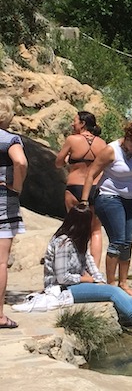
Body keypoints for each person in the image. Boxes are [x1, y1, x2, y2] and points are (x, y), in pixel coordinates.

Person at [43, 204, 132, 334]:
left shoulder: (79, 240)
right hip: (60, 290)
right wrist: (87, 279)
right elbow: (62, 278)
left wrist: (99, 280)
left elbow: (90, 265)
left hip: (75, 285)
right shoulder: (63, 244)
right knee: (113, 293)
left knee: (114, 289)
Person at [81, 122, 132, 297]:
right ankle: (111, 284)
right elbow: (91, 174)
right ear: (127, 139)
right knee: (117, 241)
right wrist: (84, 200)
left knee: (128, 242)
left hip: (129, 200)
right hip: (108, 197)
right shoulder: (111, 151)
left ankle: (123, 283)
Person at [54, 111, 107, 266]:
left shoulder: (72, 140)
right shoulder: (102, 143)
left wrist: (66, 159)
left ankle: (75, 265)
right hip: (96, 188)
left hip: (75, 187)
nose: (72, 124)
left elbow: (58, 163)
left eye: (75, 121)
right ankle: (95, 270)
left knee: (73, 227)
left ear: (82, 124)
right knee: (95, 230)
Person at [0, 96, 27, 330]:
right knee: (0, 261)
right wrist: (16, 187)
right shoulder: (9, 139)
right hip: (2, 202)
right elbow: (21, 162)